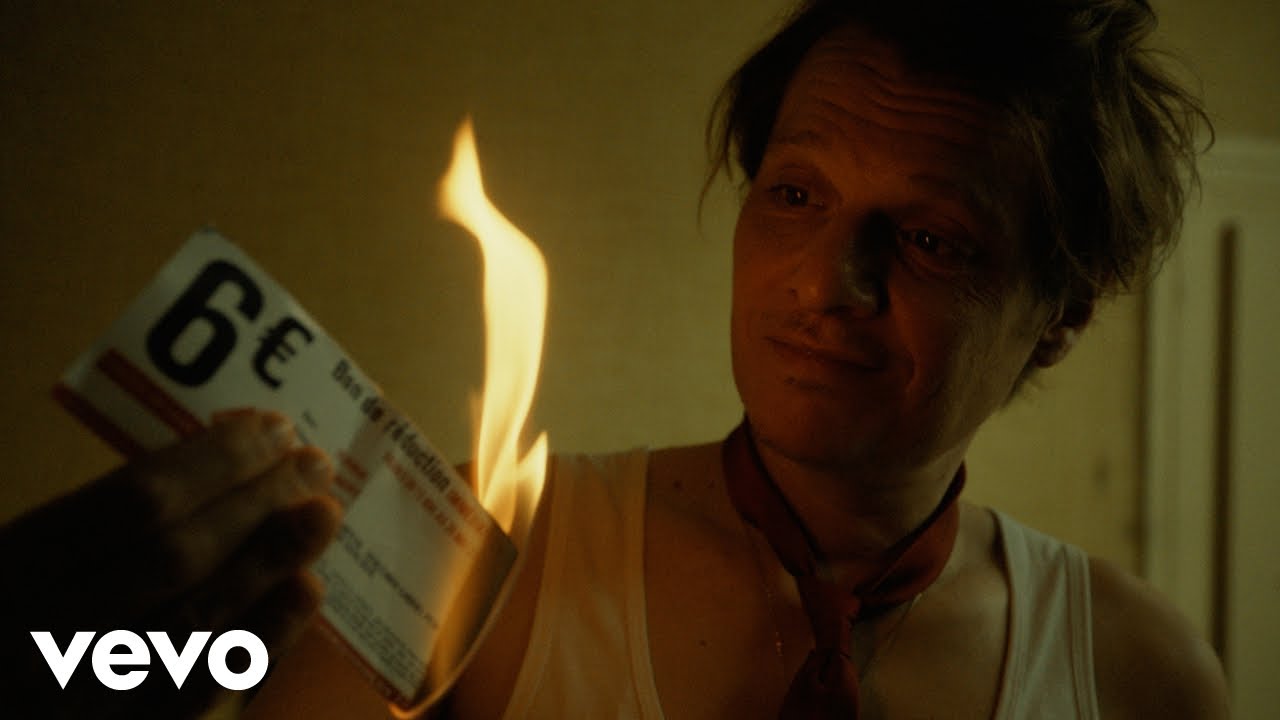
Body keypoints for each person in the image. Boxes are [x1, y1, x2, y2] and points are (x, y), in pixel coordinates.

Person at [2, 0, 1226, 718]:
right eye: (794, 194)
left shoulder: (1136, 674)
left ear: (1058, 313)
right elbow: (105, 671)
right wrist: (60, 662)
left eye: (928, 239)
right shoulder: (470, 563)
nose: (823, 284)